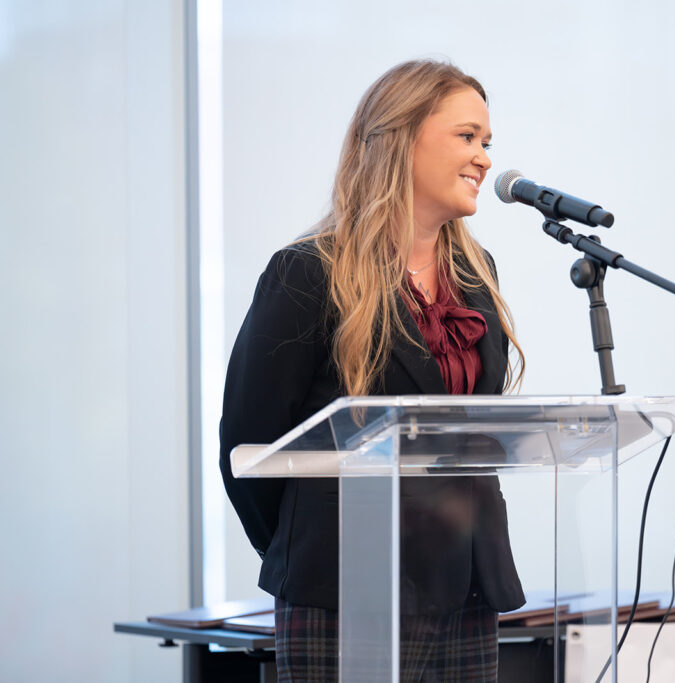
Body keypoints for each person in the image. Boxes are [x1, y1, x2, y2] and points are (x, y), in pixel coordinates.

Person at [219, 59, 526, 682]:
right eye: (467, 137)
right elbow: (249, 449)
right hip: (344, 586)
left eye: (487, 142)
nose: (485, 159)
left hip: (468, 583)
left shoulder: (477, 273)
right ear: (400, 139)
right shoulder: (308, 273)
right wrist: (305, 547)